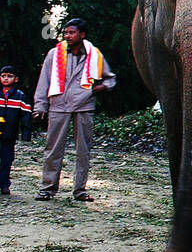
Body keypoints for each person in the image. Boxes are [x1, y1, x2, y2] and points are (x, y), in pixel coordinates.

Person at [32, 19, 115, 202]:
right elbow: (43, 81)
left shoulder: (94, 55)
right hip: (59, 105)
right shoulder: (54, 54)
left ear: (82, 34)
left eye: (72, 33)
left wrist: (98, 89)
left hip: (84, 107)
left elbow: (110, 79)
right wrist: (40, 106)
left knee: (83, 150)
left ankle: (80, 190)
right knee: (53, 149)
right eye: (66, 33)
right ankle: (47, 188)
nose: (67, 36)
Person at [0, 65, 33, 196]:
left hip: (9, 134)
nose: (6, 79)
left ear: (16, 79)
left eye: (10, 76)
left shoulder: (20, 96)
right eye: (3, 76)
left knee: (7, 160)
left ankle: (4, 184)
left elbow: (26, 116)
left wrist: (26, 134)